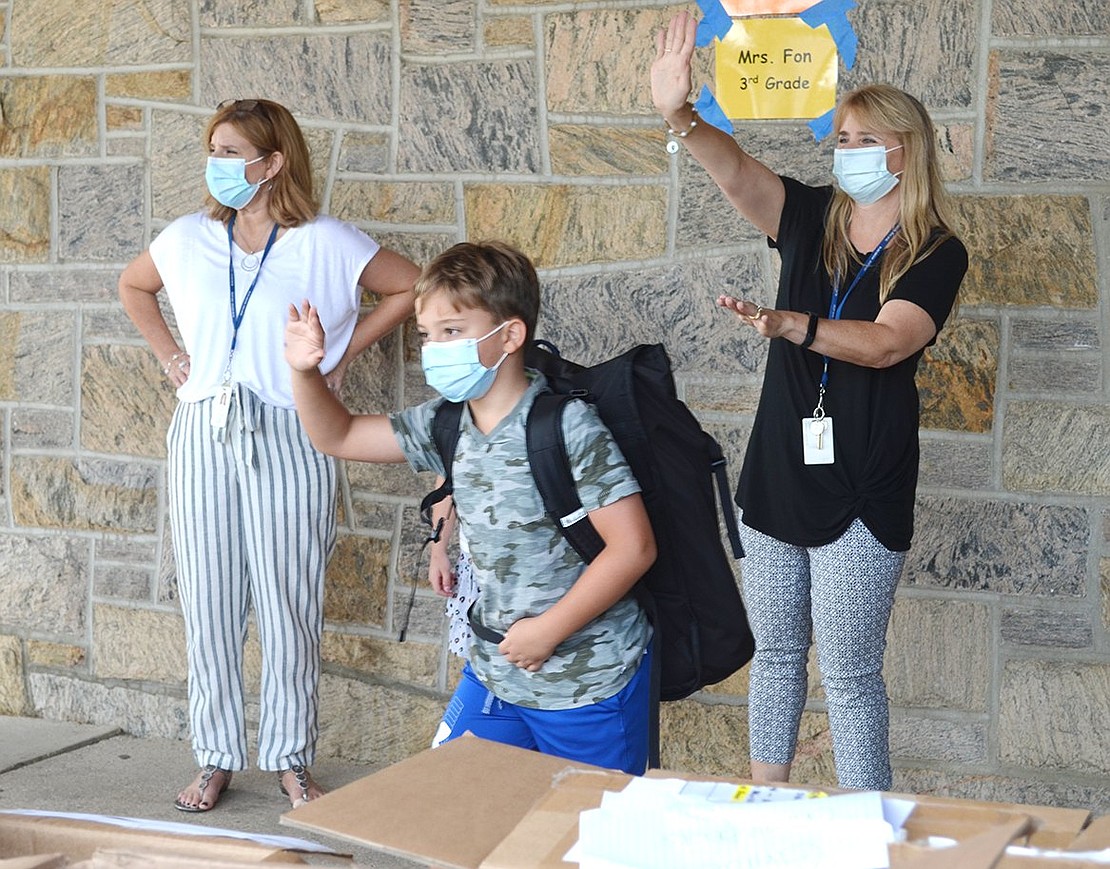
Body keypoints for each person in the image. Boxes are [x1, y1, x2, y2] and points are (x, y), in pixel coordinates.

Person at [651, 13, 968, 791]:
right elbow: (737, 172)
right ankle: (767, 803)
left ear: (906, 149)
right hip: (776, 481)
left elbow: (891, 341)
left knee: (852, 676)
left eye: (863, 140)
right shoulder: (811, 217)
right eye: (842, 141)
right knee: (778, 653)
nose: (847, 154)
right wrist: (680, 116)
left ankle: (865, 829)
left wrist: (797, 325)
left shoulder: (935, 250)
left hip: (862, 490)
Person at [118, 98, 419, 812]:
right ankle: (215, 755)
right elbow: (134, 286)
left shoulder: (326, 240)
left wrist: (338, 354)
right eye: (213, 150)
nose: (216, 164)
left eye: (230, 151)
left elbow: (411, 284)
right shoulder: (188, 236)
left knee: (289, 597)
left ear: (272, 162)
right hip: (203, 426)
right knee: (210, 598)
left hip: (291, 427)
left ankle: (291, 757)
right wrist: (170, 355)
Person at [284, 241, 657, 774]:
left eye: (452, 331)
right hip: (494, 672)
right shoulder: (445, 421)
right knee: (453, 802)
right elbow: (338, 434)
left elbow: (633, 548)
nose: (434, 348)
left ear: (509, 335)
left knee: (587, 836)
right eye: (427, 335)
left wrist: (550, 629)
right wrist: (304, 373)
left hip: (587, 682)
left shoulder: (566, 427)